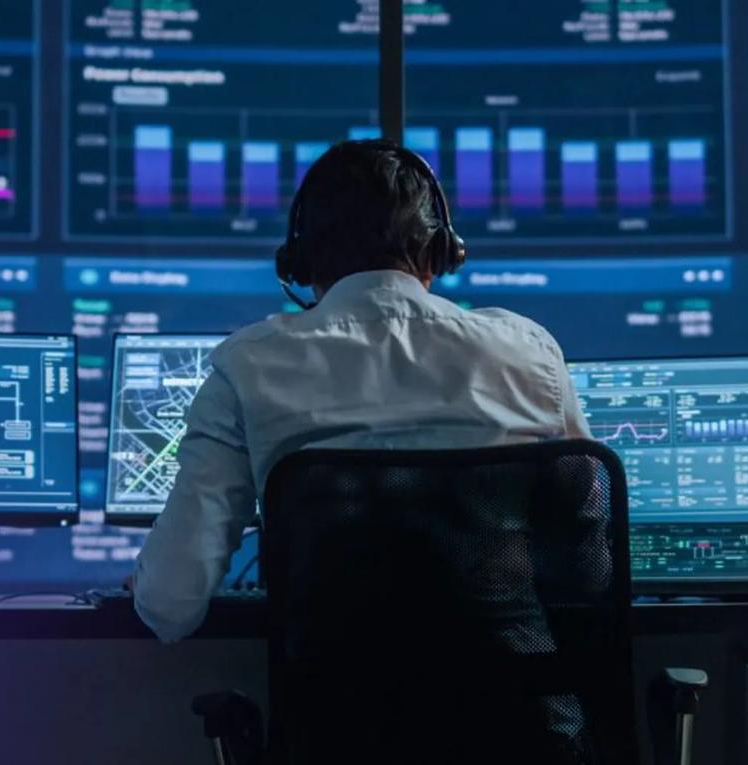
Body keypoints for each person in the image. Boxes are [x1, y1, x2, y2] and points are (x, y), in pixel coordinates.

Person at [133, 139, 591, 642]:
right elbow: (591, 560)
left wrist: (150, 584)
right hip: (517, 709)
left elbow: (171, 606)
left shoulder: (248, 364)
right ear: (437, 254)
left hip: (334, 716)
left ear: (301, 263)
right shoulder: (527, 351)